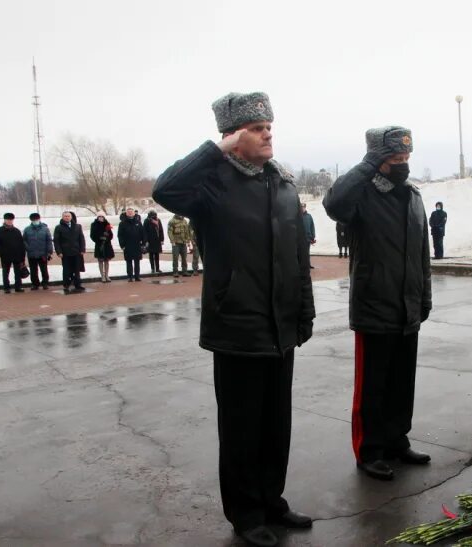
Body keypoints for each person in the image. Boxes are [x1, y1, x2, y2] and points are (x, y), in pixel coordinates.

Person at [153, 91, 315, 547]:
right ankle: (245, 514)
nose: (268, 135)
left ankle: (271, 502)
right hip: (236, 325)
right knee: (242, 428)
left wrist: (303, 310)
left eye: (269, 127)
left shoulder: (281, 183)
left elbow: (295, 256)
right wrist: (217, 149)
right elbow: (165, 190)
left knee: (275, 423)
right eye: (257, 129)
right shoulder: (211, 184)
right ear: (234, 135)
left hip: (281, 323)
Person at [323, 125, 432, 482]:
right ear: (377, 160)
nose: (403, 164)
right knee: (374, 385)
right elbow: (333, 203)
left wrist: (424, 297)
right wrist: (368, 165)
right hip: (375, 307)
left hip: (408, 307)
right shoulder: (363, 196)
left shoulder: (413, 197)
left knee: (402, 382)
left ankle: (396, 440)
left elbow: (422, 255)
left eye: (406, 157)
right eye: (394, 158)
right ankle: (369, 450)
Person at [0, 212, 26, 294]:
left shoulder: (16, 231)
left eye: (11, 220)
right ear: (4, 220)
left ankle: (18, 286)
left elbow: (21, 244)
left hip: (17, 255)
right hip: (5, 256)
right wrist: (1, 252)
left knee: (17, 272)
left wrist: (22, 256)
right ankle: (6, 287)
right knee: (5, 272)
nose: (9, 221)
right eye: (8, 220)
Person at [53, 211, 86, 294]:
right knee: (66, 270)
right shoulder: (59, 227)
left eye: (68, 216)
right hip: (65, 253)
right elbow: (56, 241)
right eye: (65, 216)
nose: (67, 217)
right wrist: (59, 252)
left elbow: (81, 238)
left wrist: (82, 249)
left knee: (77, 269)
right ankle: (66, 285)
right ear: (62, 217)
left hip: (76, 251)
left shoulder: (78, 226)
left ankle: (77, 284)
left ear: (71, 217)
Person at [23, 212, 53, 290]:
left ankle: (45, 283)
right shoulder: (27, 229)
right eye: (33, 220)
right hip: (31, 253)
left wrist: (50, 251)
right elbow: (24, 240)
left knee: (44, 269)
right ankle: (35, 284)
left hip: (43, 253)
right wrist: (27, 248)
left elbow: (49, 240)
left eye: (36, 219)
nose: (35, 221)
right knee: (33, 270)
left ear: (39, 219)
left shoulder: (45, 229)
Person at [118, 206, 146, 282]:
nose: (130, 213)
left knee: (137, 261)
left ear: (134, 213)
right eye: (129, 212)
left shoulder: (138, 222)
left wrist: (143, 243)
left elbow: (143, 233)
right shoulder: (122, 223)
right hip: (127, 245)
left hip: (137, 245)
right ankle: (130, 276)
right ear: (126, 214)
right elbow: (120, 235)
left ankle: (137, 276)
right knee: (129, 261)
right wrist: (122, 245)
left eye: (131, 212)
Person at [90, 212, 115, 283]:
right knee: (100, 260)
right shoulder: (94, 224)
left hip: (107, 245)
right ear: (97, 217)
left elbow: (111, 235)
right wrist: (99, 238)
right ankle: (102, 276)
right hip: (99, 244)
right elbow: (92, 235)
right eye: (99, 216)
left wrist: (107, 237)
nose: (101, 218)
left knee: (106, 260)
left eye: (102, 216)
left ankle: (107, 275)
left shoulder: (107, 224)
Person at [143, 209, 164, 274]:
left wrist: (162, 239)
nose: (153, 216)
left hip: (157, 240)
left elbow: (161, 230)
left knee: (157, 255)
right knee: (151, 255)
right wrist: (146, 241)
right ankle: (152, 268)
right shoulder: (146, 221)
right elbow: (144, 231)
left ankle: (157, 268)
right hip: (150, 240)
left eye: (154, 215)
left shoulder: (158, 220)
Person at [300, 203, 316, 269]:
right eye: (301, 207)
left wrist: (313, 236)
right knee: (301, 252)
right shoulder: (298, 217)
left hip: (308, 237)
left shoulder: (309, 216)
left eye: (303, 207)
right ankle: (301, 265)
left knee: (307, 252)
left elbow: (312, 226)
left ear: (305, 207)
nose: (302, 208)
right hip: (300, 238)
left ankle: (308, 264)